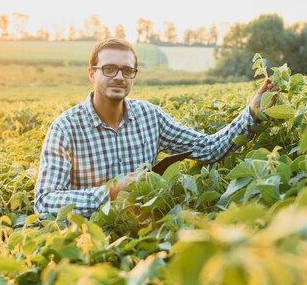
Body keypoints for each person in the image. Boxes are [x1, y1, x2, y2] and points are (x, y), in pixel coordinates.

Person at [34, 38, 277, 217]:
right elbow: (45, 202)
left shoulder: (149, 117)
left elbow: (207, 148)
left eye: (127, 70)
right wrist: (109, 193)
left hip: (144, 233)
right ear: (91, 74)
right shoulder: (65, 129)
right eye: (109, 69)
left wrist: (252, 113)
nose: (119, 76)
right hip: (91, 243)